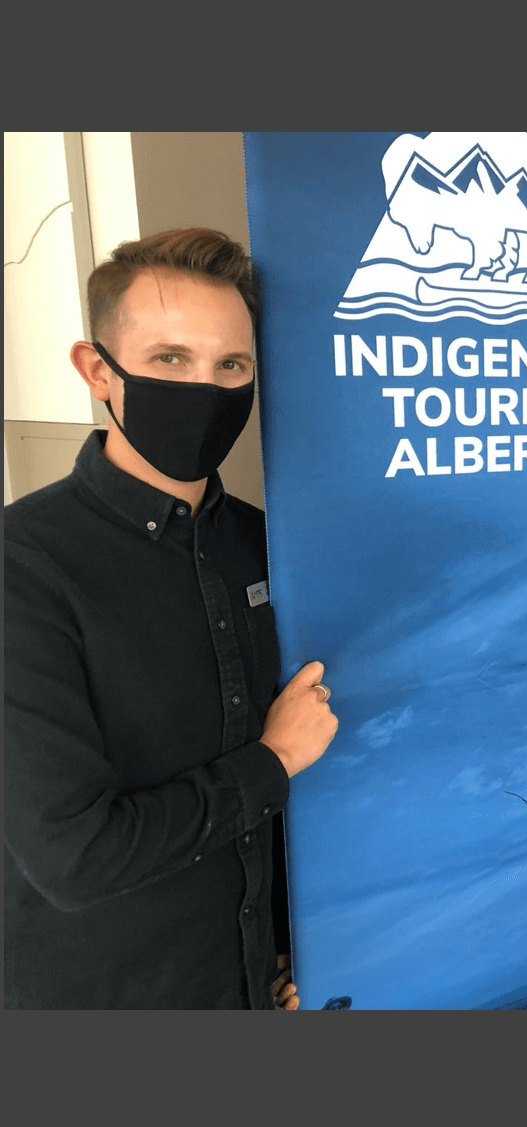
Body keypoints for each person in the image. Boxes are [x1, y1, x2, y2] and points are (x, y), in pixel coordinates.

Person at [4, 228, 339, 1009]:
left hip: (254, 983)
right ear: (98, 370)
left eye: (231, 366)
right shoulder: (25, 567)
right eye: (170, 359)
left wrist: (290, 939)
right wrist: (272, 759)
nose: (205, 388)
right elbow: (74, 855)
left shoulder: (264, 544)